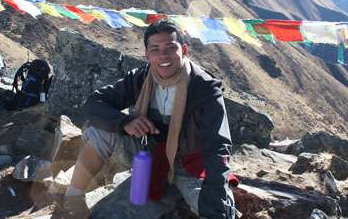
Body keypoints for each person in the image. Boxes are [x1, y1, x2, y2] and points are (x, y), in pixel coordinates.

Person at [55, 19, 236, 218]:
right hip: (148, 153)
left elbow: (218, 146)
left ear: (184, 50)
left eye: (170, 48)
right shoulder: (141, 78)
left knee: (216, 210)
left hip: (190, 164)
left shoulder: (204, 89)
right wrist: (125, 123)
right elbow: (95, 103)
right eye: (155, 49)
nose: (163, 56)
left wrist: (215, 195)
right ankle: (72, 200)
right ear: (147, 55)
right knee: (97, 132)